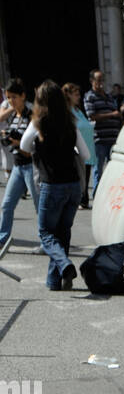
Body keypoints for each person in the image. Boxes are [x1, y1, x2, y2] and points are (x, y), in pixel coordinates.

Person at [19, 79, 89, 291]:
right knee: (62, 232)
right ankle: (56, 281)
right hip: (74, 186)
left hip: (52, 185)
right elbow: (85, 154)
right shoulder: (70, 122)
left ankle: (65, 265)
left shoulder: (38, 122)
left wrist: (41, 151)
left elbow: (23, 144)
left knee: (46, 233)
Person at [0, 78, 39, 259]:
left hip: (31, 166)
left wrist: (18, 142)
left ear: (23, 96)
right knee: (7, 205)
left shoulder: (32, 115)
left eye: (14, 97)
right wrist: (7, 137)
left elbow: (35, 144)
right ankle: (2, 238)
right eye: (8, 98)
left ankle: (46, 241)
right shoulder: (12, 116)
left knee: (39, 206)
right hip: (17, 166)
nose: (11, 101)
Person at [83, 70, 122, 193]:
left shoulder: (109, 97)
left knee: (114, 170)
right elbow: (92, 115)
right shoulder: (90, 96)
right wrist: (112, 114)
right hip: (99, 139)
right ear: (92, 81)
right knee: (98, 171)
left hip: (113, 139)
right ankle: (96, 195)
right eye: (98, 80)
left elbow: (115, 112)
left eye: (102, 79)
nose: (101, 83)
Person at [62, 83, 96, 208]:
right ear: (68, 95)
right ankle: (78, 199)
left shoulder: (78, 110)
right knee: (79, 177)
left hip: (87, 148)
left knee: (85, 176)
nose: (79, 97)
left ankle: (84, 199)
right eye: (76, 94)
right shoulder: (67, 112)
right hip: (77, 151)